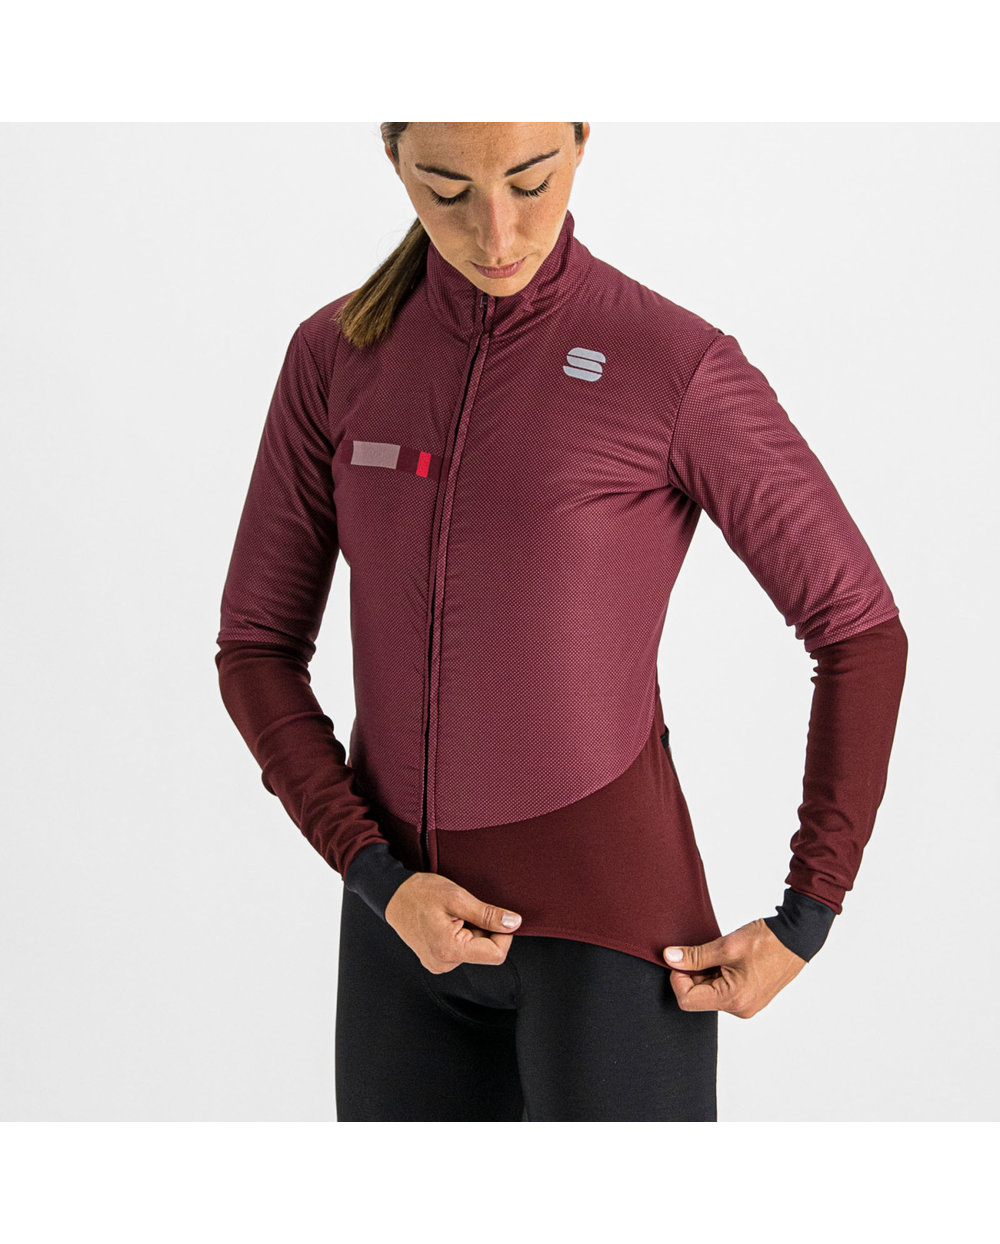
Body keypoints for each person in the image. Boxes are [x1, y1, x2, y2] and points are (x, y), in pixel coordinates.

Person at [215, 122, 908, 1121]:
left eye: (530, 181)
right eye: (446, 190)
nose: (496, 233)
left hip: (615, 942)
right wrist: (373, 871)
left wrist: (810, 911)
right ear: (392, 157)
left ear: (581, 139)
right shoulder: (336, 354)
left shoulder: (673, 363)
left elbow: (857, 628)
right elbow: (256, 647)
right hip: (399, 941)